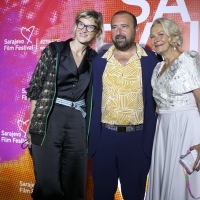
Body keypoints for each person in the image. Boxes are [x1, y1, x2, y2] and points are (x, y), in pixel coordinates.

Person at [25, 10, 104, 200]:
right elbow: (35, 88)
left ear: (96, 32)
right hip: (49, 119)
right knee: (48, 183)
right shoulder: (54, 50)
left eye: (91, 26)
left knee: (74, 184)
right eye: (81, 24)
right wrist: (32, 123)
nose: (84, 29)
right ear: (75, 25)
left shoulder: (95, 60)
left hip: (78, 124)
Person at [88, 10, 161, 200]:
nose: (118, 31)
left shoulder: (152, 60)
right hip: (104, 139)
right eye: (114, 27)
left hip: (137, 141)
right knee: (101, 195)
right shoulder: (98, 62)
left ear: (136, 29)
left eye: (124, 26)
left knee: (134, 195)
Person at [146, 17, 200, 200]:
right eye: (153, 36)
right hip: (164, 129)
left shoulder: (188, 60)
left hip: (187, 128)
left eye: (161, 34)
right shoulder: (158, 67)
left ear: (173, 36)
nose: (156, 39)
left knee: (180, 180)